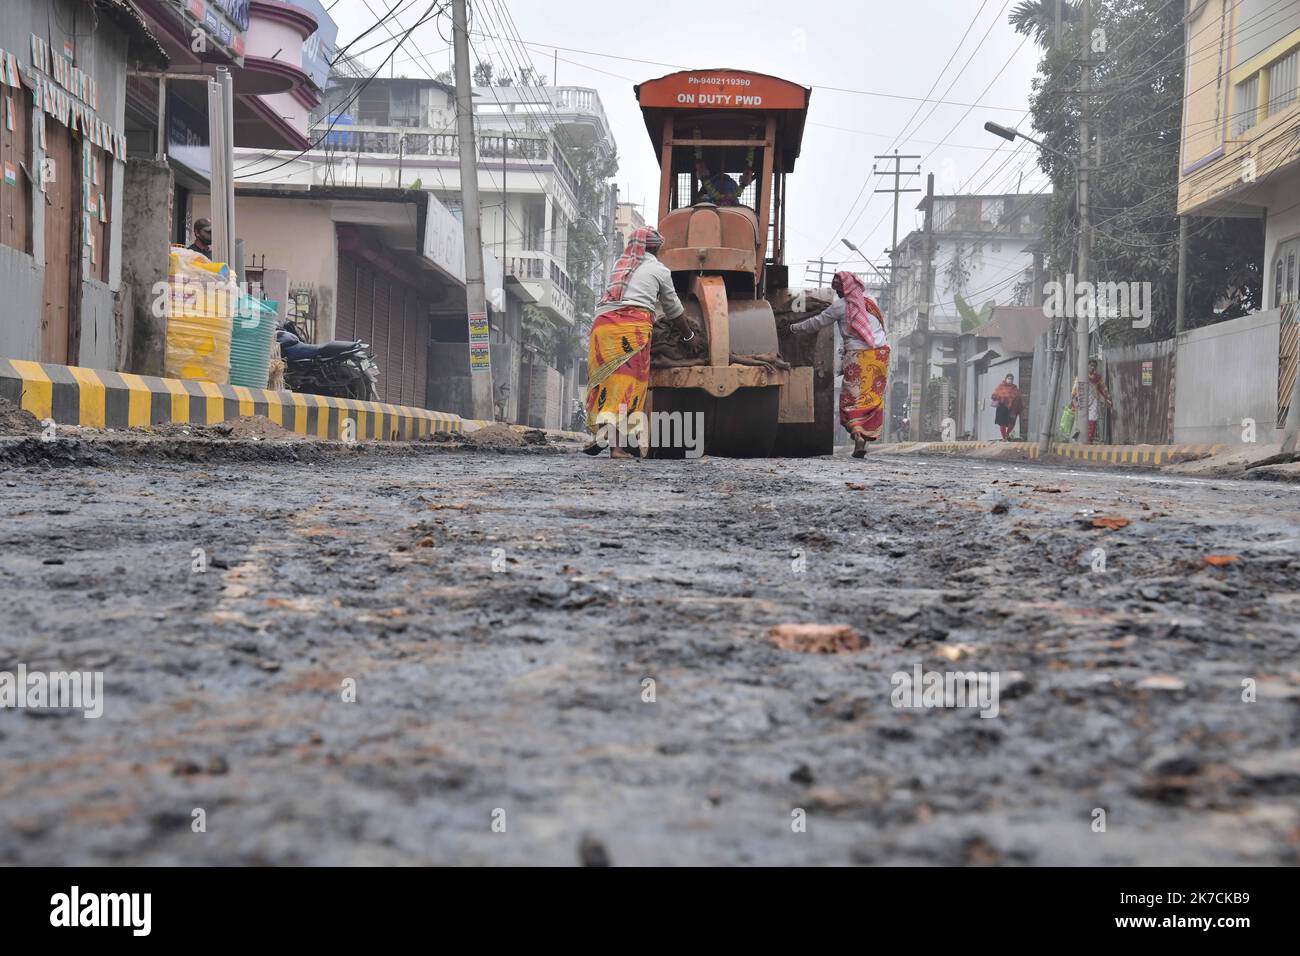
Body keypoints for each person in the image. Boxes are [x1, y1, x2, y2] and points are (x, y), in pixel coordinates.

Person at [583, 226, 699, 458]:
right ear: (656, 248)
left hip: (602, 327)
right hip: (631, 329)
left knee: (606, 384)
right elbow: (674, 309)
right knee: (628, 385)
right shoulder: (659, 270)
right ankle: (616, 448)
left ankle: (603, 433)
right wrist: (689, 336)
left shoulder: (621, 266)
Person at [785, 270, 888, 458]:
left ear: (842, 290)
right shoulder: (872, 302)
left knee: (852, 398)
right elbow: (881, 327)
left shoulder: (840, 306)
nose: (838, 293)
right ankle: (864, 438)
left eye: (838, 290)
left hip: (858, 357)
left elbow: (817, 323)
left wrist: (793, 327)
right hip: (881, 355)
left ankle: (857, 434)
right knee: (872, 397)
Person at [1072, 359, 1113, 443]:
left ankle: (1090, 439)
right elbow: (1075, 387)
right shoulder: (1081, 375)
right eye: (1091, 365)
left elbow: (1103, 388)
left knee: (1093, 419)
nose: (1092, 367)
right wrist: (1073, 398)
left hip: (1093, 400)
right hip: (1082, 399)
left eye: (1094, 366)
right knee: (1080, 419)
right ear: (1087, 366)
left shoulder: (1098, 378)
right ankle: (1079, 437)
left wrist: (1108, 397)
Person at [991, 374, 1022, 441]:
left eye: (1011, 379)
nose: (1010, 380)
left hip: (1012, 408)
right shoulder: (1001, 386)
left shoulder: (1014, 388)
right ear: (1006, 378)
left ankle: (1007, 434)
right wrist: (1000, 398)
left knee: (1012, 423)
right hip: (1002, 407)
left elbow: (1018, 397)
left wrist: (1017, 405)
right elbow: (994, 394)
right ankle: (1004, 437)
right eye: (1009, 378)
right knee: (1002, 423)